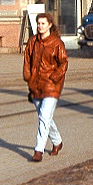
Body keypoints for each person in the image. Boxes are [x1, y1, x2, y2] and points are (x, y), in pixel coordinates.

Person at [23, 12, 67, 162]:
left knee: (43, 117)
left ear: (49, 25)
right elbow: (27, 61)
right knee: (45, 117)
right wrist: (28, 77)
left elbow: (63, 63)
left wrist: (54, 77)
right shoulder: (32, 41)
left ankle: (38, 150)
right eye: (38, 23)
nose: (40, 26)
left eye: (43, 23)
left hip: (52, 85)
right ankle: (57, 142)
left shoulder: (57, 43)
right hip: (36, 85)